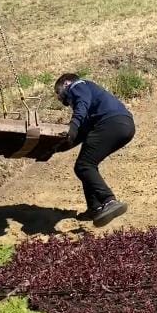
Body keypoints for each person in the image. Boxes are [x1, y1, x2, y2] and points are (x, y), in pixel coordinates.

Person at [54, 73, 135, 225]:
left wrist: (73, 125)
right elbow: (80, 133)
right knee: (88, 165)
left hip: (111, 123)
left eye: (58, 94)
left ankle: (109, 201)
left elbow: (81, 104)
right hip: (122, 125)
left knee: (83, 165)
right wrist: (55, 147)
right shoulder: (93, 100)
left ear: (66, 83)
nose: (60, 99)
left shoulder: (78, 85)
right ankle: (95, 207)